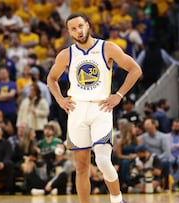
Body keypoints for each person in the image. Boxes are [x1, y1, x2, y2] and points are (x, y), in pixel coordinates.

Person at [47, 13, 142, 203]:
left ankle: (117, 199)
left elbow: (135, 69)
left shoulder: (107, 47)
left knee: (103, 160)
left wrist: (119, 95)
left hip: (101, 108)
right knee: (81, 167)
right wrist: (60, 99)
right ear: (68, 31)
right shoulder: (66, 54)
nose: (78, 31)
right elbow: (51, 79)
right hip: (76, 111)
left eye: (81, 26)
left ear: (88, 25)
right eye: (73, 28)